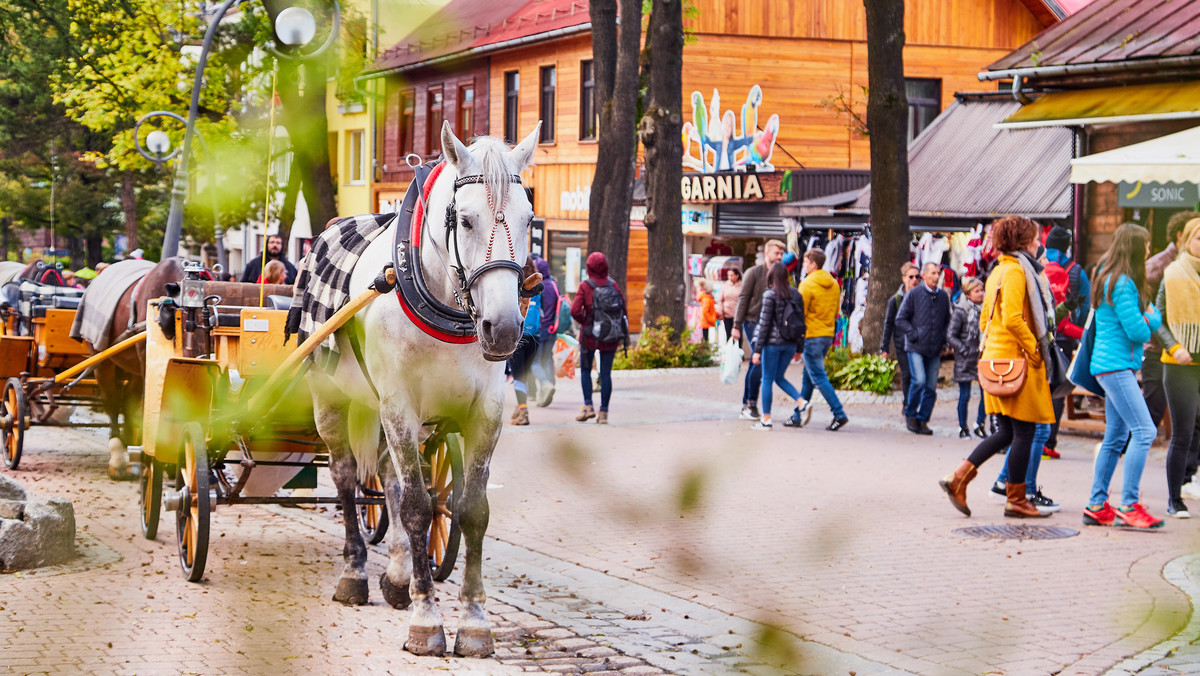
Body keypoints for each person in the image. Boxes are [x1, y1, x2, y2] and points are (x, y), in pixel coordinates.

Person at [938, 216, 1055, 520]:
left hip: (996, 359)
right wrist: (1036, 350)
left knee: (1007, 431)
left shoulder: (998, 271)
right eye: (1034, 238)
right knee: (1025, 431)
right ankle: (1016, 500)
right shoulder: (1016, 272)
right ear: (1023, 242)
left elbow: (985, 319)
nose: (1039, 242)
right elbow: (1014, 318)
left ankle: (959, 478)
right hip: (1015, 361)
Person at [1083, 223, 1163, 529]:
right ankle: (1129, 505)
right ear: (1133, 247)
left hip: (1111, 365)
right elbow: (1139, 330)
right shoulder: (1122, 283)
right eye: (1144, 245)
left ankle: (1096, 504)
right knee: (1144, 432)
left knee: (1115, 437)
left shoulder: (1106, 274)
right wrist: (1153, 316)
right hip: (1116, 366)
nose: (1148, 251)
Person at [1144, 212, 1200, 501]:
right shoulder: (1172, 274)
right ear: (1188, 240)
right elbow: (1158, 318)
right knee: (1183, 433)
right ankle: (1173, 498)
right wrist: (1174, 346)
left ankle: (1191, 480)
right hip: (1180, 364)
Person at [1042, 225, 1091, 459]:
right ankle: (1049, 442)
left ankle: (1035, 438)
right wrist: (1082, 332)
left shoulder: (1038, 265)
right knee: (1059, 389)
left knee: (1041, 385)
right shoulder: (1076, 271)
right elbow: (1084, 306)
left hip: (1042, 335)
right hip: (1066, 336)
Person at [896, 262, 951, 435]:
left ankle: (923, 419)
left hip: (935, 348)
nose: (936, 276)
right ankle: (910, 414)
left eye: (938, 273)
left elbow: (947, 321)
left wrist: (945, 341)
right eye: (933, 273)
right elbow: (900, 319)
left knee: (930, 387)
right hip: (916, 346)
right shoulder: (913, 294)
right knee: (918, 380)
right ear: (924, 276)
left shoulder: (943, 296)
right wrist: (914, 334)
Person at [732, 240, 785, 420]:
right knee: (759, 360)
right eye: (777, 253)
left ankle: (748, 404)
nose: (780, 257)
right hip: (752, 321)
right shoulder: (753, 272)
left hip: (770, 324)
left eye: (781, 254)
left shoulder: (780, 274)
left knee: (758, 362)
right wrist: (736, 326)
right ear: (768, 252)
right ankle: (750, 404)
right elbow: (743, 298)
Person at [571, 252, 626, 425]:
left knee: (586, 371)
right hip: (610, 335)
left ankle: (588, 406)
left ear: (588, 267)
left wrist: (586, 322)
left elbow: (575, 310)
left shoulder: (586, 286)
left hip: (589, 337)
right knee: (606, 374)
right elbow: (623, 309)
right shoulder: (613, 285)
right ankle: (604, 413)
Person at [796, 249, 848, 431]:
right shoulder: (834, 284)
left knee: (817, 376)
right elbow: (836, 313)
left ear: (813, 265)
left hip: (812, 335)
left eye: (805, 262)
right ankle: (797, 414)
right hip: (827, 334)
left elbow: (800, 314)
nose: (803, 265)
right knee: (808, 377)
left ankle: (839, 413)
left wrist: (796, 338)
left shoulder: (807, 284)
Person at [749, 263, 806, 430]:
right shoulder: (796, 294)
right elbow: (801, 323)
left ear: (771, 276)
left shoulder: (769, 295)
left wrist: (757, 351)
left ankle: (766, 420)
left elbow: (764, 324)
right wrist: (799, 348)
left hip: (772, 345)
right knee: (779, 377)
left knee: (767, 379)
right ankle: (801, 401)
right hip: (790, 344)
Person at [946, 276, 986, 439]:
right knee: (965, 394)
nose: (981, 294)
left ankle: (980, 424)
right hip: (965, 358)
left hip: (981, 357)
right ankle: (963, 426)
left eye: (982, 290)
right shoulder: (960, 310)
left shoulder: (986, 309)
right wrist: (963, 349)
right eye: (977, 291)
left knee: (986, 393)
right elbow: (951, 335)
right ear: (968, 294)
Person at [881, 263, 920, 413]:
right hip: (902, 343)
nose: (915, 280)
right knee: (908, 374)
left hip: (919, 342)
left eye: (917, 277)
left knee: (919, 375)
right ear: (904, 278)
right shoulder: (895, 300)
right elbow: (888, 324)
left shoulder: (923, 297)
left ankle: (913, 403)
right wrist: (884, 347)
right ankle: (907, 403)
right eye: (911, 277)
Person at [507, 291, 542, 426]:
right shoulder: (537, 289)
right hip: (535, 337)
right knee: (524, 374)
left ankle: (523, 411)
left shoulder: (513, 287)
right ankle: (521, 405)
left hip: (518, 335)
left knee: (518, 375)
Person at [531, 255, 560, 407]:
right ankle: (548, 387)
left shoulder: (539, 287)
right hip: (552, 329)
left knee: (534, 362)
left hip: (540, 329)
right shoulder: (554, 285)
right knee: (548, 359)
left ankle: (545, 384)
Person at [716, 268, 742, 342]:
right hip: (727, 313)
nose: (730, 277)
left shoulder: (742, 285)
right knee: (728, 334)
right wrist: (720, 312)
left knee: (738, 335)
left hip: (738, 314)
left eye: (732, 275)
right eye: (728, 275)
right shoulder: (725, 285)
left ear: (737, 275)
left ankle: (739, 351)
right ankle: (730, 351)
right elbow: (720, 300)